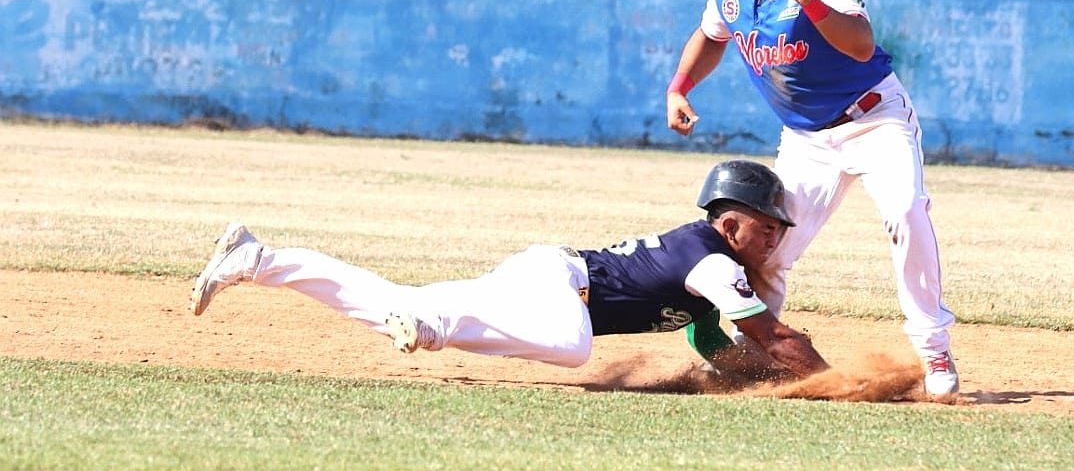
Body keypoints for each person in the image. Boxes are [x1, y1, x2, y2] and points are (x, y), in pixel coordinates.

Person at [664, 0, 959, 398]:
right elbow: (711, 36)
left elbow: (861, 45)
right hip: (805, 138)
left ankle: (933, 347)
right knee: (769, 246)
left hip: (873, 118)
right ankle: (752, 350)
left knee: (906, 211)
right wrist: (680, 87)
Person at [189, 159, 830, 383]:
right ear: (728, 222)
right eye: (765, 225)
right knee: (573, 348)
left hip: (547, 278)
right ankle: (431, 326)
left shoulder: (710, 264)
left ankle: (258, 259)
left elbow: (711, 339)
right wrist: (838, 382)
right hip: (557, 284)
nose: (773, 237)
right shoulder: (715, 262)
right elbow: (771, 336)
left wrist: (751, 379)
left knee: (392, 301)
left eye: (779, 228)